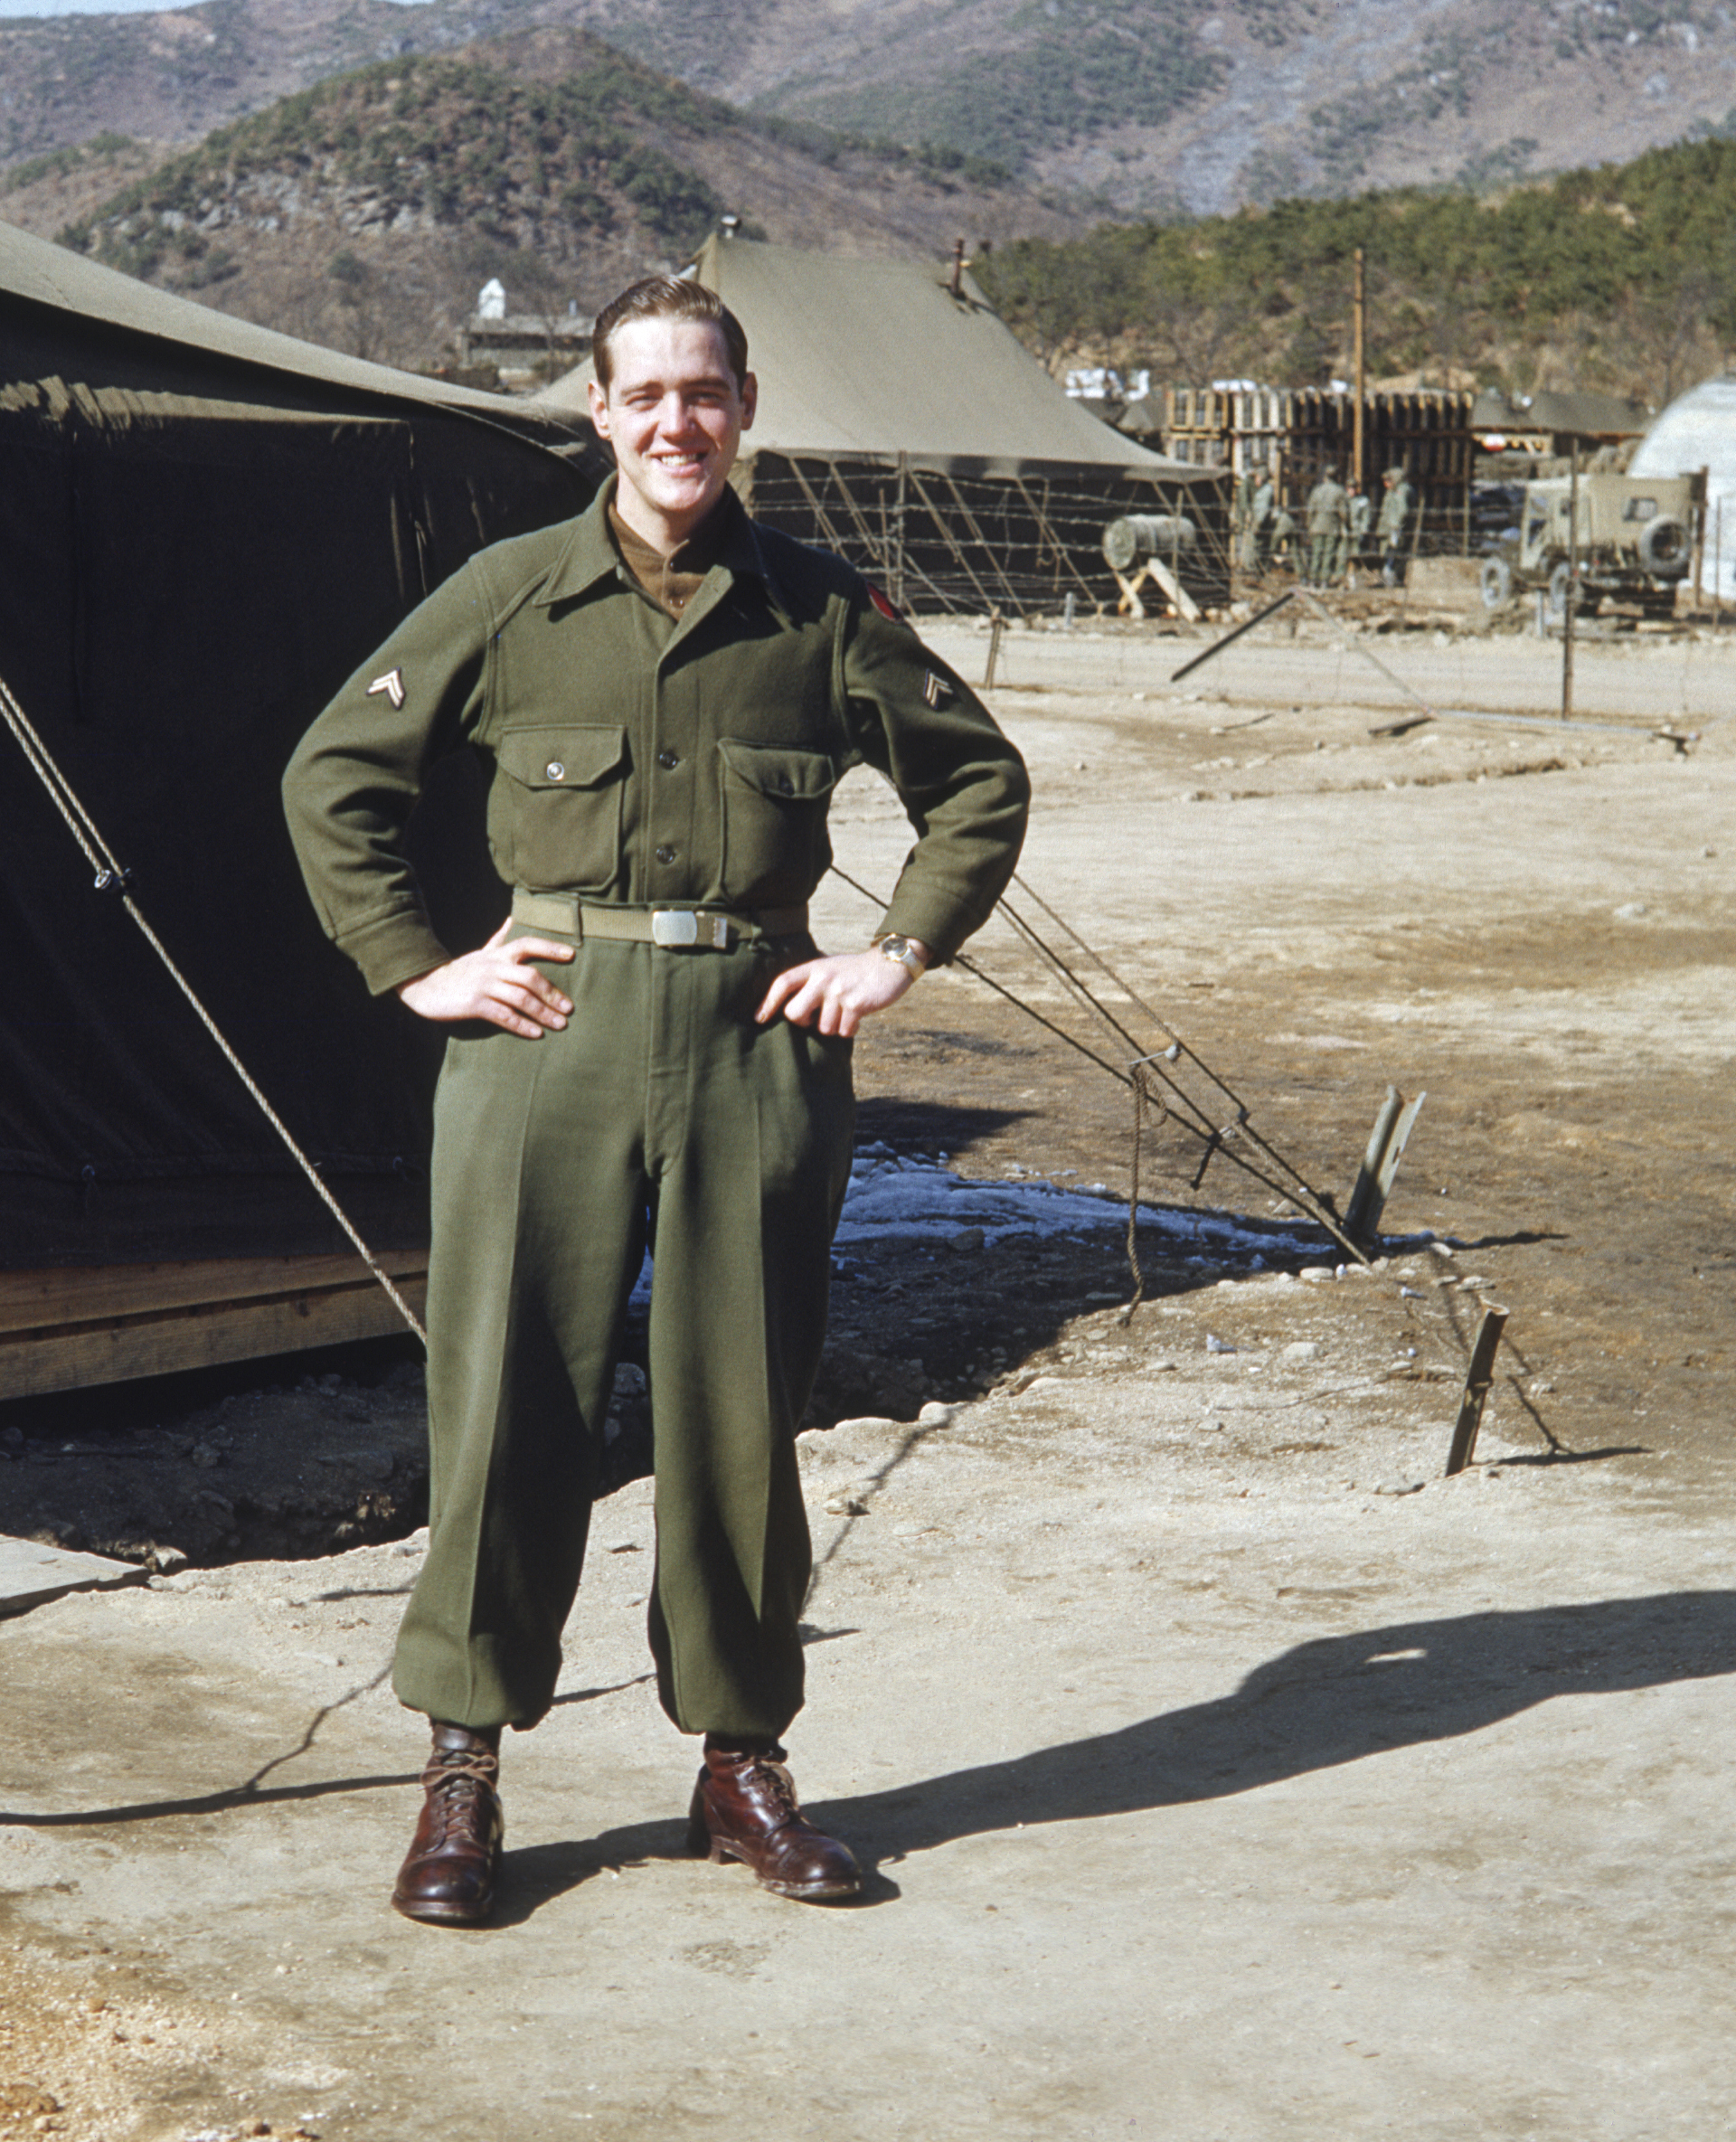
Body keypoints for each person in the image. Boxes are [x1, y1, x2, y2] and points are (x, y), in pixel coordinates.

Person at [281, 276, 1030, 1928]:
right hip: (545, 1036)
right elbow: (335, 773)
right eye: (646, 396)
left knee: (740, 1409)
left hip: (757, 1037)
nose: (677, 422)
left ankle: (741, 1760)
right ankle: (463, 1769)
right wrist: (417, 962)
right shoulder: (508, 595)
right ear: (600, 416)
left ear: (745, 408)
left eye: (706, 392)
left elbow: (975, 782)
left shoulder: (821, 610)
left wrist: (894, 955)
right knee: (504, 1403)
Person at [1375, 466, 1419, 586]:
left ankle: (1391, 580)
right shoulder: (1395, 490)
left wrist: (1395, 525)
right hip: (1391, 528)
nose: (1386, 483)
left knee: (1394, 553)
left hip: (1397, 529)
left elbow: (1402, 510)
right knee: (1390, 553)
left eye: (1389, 480)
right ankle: (1388, 579)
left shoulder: (1402, 490)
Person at [1303, 471, 1347, 588]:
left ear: (1325, 477)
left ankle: (1312, 580)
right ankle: (1324, 581)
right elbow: (1343, 513)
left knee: (1316, 553)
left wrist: (1309, 526)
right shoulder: (1339, 491)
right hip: (1331, 527)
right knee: (1328, 554)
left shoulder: (1316, 491)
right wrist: (1344, 523)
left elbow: (1310, 511)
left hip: (1316, 526)